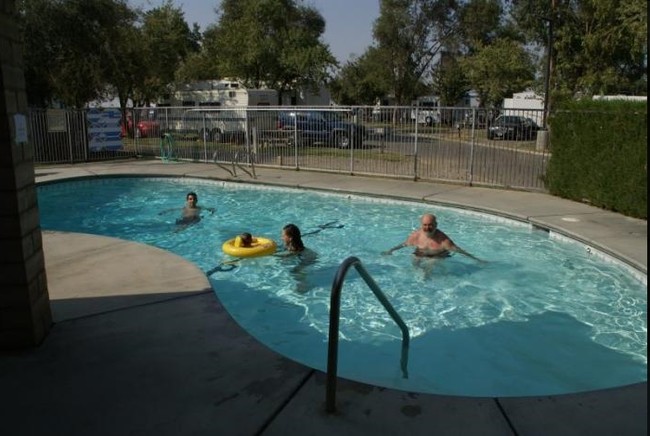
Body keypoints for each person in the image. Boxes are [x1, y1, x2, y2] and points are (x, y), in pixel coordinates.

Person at [382, 213, 485, 263]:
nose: (427, 227)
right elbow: (404, 244)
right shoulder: (416, 236)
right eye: (425, 225)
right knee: (415, 260)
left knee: (431, 264)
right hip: (420, 253)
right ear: (421, 225)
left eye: (430, 225)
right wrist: (390, 250)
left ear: (436, 225)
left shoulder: (444, 241)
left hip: (438, 256)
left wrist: (477, 259)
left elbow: (459, 250)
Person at [278, 223, 317, 293]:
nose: (282, 238)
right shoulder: (289, 246)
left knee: (295, 271)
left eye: (283, 236)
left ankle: (304, 286)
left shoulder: (295, 250)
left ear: (290, 238)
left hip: (309, 258)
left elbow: (287, 255)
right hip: (306, 255)